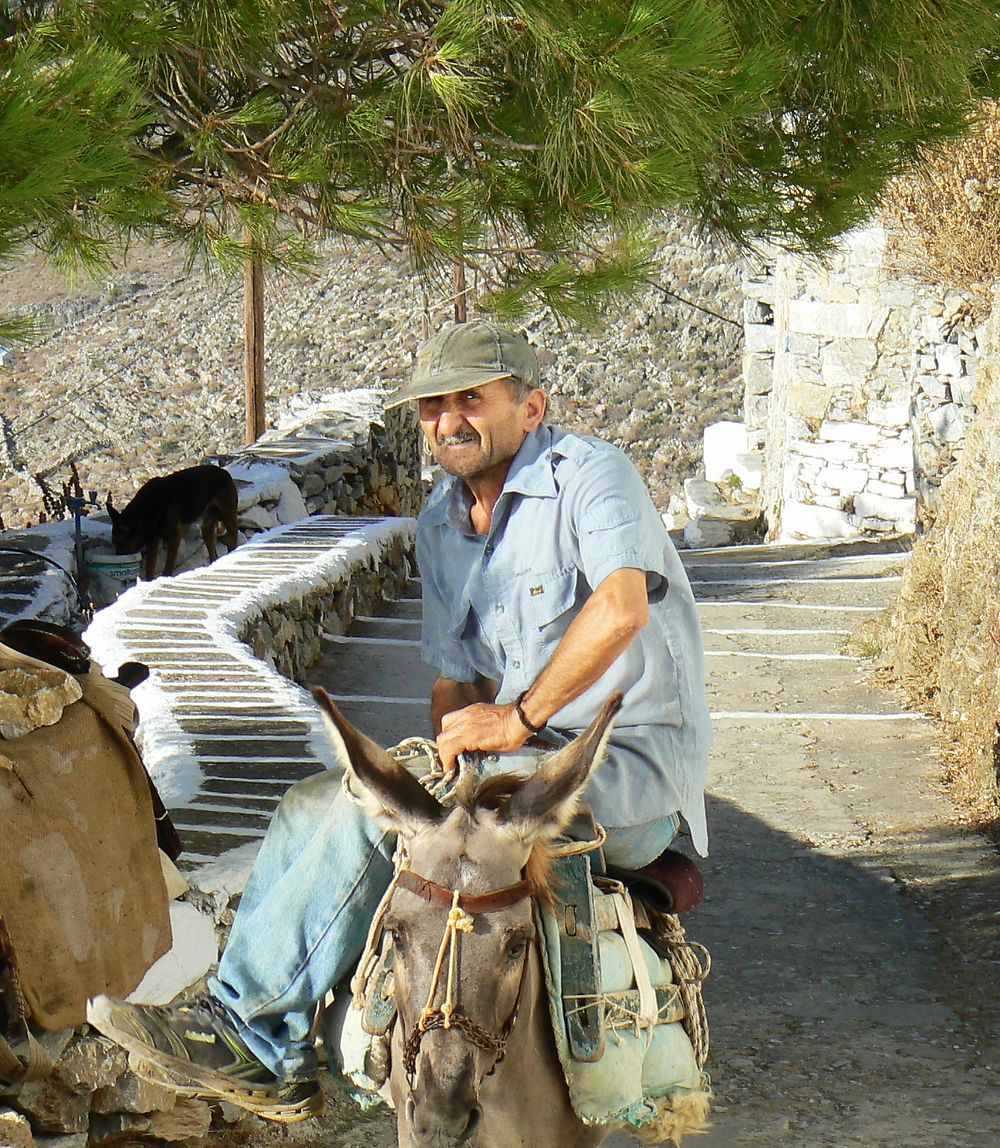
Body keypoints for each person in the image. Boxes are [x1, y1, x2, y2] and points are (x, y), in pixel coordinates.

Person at [89, 322, 711, 1096]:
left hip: (618, 773)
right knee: (322, 800)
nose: (448, 420)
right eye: (432, 406)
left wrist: (515, 722)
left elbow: (622, 607)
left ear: (531, 406)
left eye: (470, 400)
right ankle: (288, 1049)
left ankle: (249, 1033)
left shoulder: (591, 476)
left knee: (380, 823)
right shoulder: (441, 524)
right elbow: (456, 681)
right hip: (512, 764)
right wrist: (451, 739)